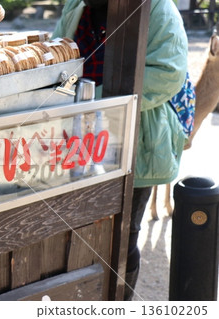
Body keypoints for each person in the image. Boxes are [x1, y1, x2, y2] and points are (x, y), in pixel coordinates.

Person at [53, 0, 189, 300]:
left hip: (134, 139)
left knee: (122, 236)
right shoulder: (77, 7)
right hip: (76, 139)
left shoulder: (157, 8)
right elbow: (57, 60)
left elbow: (167, 74)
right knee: (75, 230)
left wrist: (92, 101)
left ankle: (119, 302)